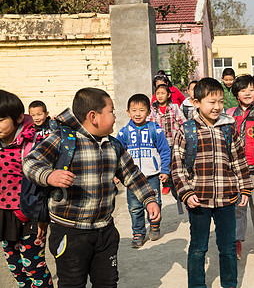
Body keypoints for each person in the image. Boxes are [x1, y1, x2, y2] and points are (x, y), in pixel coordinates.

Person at [23, 87, 161, 287]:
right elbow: (30, 162)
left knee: (107, 283)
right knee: (72, 284)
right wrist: (49, 175)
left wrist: (149, 200)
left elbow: (132, 174)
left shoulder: (113, 145)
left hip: (105, 231)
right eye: (111, 111)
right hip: (70, 233)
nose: (115, 116)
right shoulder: (63, 140)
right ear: (93, 116)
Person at [171, 77, 253, 288]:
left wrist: (245, 188)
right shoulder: (186, 130)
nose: (217, 107)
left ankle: (230, 283)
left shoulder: (228, 128)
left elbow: (239, 160)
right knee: (198, 247)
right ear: (196, 102)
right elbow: (177, 167)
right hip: (198, 200)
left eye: (220, 102)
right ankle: (197, 285)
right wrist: (186, 193)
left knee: (227, 247)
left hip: (227, 198)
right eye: (211, 102)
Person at [0, 90, 53, 288]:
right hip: (5, 215)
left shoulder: (32, 146)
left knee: (34, 267)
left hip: (29, 215)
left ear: (19, 118)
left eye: (1, 119)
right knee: (15, 267)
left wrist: (42, 218)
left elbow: (43, 185)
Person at [226, 75, 254, 259]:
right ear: (236, 93)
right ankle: (237, 240)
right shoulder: (229, 114)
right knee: (237, 206)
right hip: (234, 170)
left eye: (251, 89)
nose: (247, 93)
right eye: (243, 89)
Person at [117, 94, 171, 247]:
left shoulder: (156, 130)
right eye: (134, 110)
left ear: (148, 113)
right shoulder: (123, 132)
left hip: (152, 175)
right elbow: (117, 154)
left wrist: (165, 169)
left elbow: (165, 151)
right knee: (134, 207)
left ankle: (154, 225)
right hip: (132, 178)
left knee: (155, 202)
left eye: (142, 110)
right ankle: (138, 233)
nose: (137, 113)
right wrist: (117, 174)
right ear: (128, 112)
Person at [150, 83, 186, 195]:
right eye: (158, 94)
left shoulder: (174, 107)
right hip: (159, 143)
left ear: (169, 95)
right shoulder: (152, 109)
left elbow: (182, 122)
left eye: (163, 93)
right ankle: (165, 183)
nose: (160, 96)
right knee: (162, 163)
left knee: (173, 163)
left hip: (172, 141)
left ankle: (171, 182)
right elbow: (150, 124)